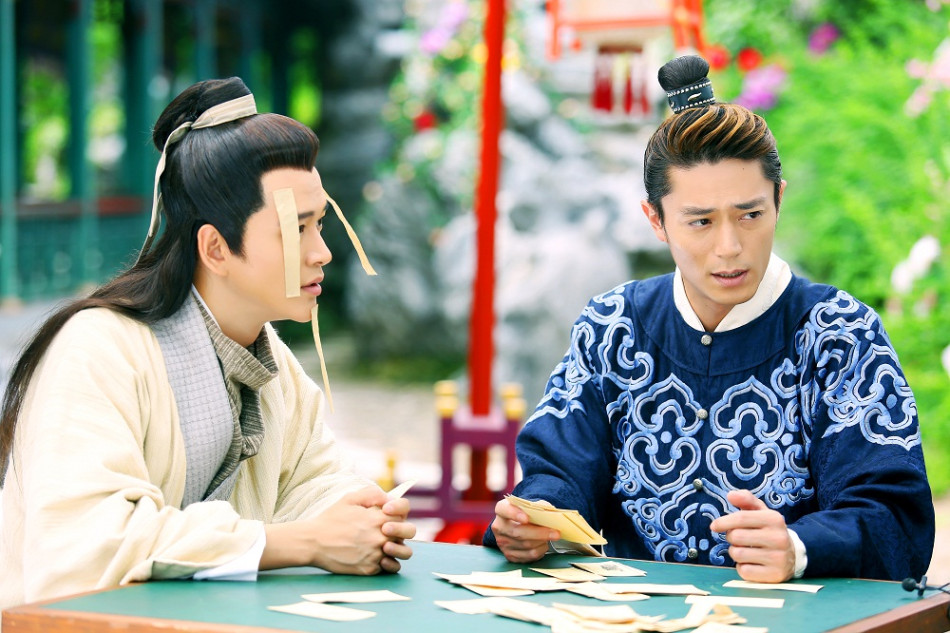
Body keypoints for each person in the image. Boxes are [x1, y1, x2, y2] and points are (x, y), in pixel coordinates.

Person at [485, 55, 934, 583]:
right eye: (700, 222)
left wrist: (799, 546)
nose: (730, 247)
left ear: (779, 200)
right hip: (632, 612)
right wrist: (537, 521)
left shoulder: (840, 333)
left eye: (750, 215)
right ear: (655, 220)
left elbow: (895, 517)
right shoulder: (611, 326)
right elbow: (560, 473)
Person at [0, 77, 415, 612]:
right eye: (297, 230)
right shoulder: (96, 350)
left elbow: (311, 482)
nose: (322, 253)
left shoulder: (272, 362)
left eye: (319, 225)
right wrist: (303, 543)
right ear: (215, 248)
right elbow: (87, 541)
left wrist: (362, 517)